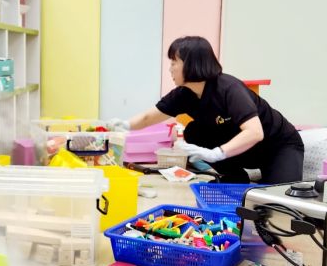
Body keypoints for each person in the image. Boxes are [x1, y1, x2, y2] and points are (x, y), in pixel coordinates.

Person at [124, 36, 304, 183]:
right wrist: (121, 125)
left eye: (174, 62)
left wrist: (217, 153)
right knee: (194, 132)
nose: (170, 69)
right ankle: (235, 177)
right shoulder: (183, 94)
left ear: (191, 63)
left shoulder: (229, 89)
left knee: (278, 201)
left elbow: (255, 133)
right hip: (244, 150)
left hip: (277, 146)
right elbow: (148, 118)